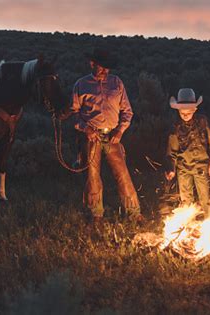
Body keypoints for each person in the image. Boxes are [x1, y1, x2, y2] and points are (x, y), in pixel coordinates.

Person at [70, 47, 143, 225]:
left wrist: (119, 131)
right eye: (102, 67)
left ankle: (134, 212)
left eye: (107, 68)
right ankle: (96, 214)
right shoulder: (81, 85)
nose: (105, 71)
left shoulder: (117, 83)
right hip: (91, 137)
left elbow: (127, 111)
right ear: (92, 64)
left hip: (112, 136)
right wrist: (86, 129)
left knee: (122, 173)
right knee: (92, 175)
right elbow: (74, 113)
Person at [164, 88, 210, 215]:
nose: (185, 115)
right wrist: (171, 169)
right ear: (178, 111)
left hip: (201, 166)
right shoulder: (175, 127)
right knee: (186, 201)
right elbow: (172, 152)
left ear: (194, 110)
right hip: (183, 168)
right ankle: (187, 226)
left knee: (206, 200)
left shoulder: (202, 122)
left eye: (188, 112)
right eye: (182, 113)